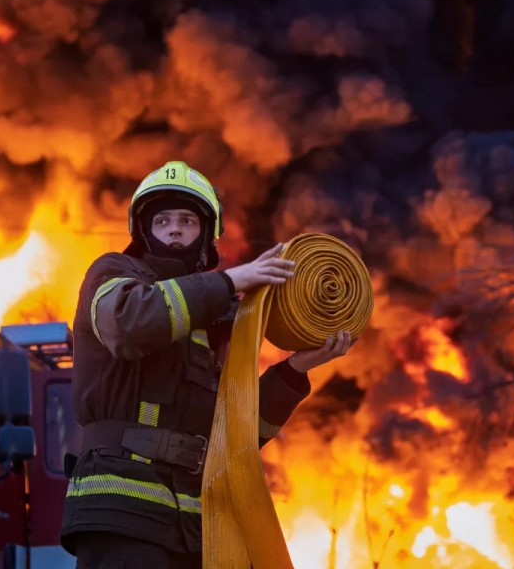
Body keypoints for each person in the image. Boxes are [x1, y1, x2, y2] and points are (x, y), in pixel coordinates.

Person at [60, 161, 355, 568]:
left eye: (187, 220)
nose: (175, 229)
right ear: (143, 230)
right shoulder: (113, 273)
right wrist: (231, 282)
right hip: (120, 514)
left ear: (206, 235)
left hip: (195, 525)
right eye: (162, 220)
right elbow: (128, 325)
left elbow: (237, 435)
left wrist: (295, 369)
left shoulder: (216, 322)